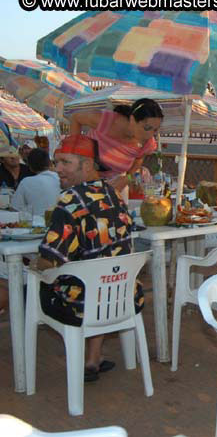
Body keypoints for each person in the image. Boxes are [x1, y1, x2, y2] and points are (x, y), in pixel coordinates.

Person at [33, 134, 142, 382]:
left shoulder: (71, 200)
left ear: (88, 165)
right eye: (56, 162)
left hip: (83, 303)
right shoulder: (113, 193)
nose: (57, 169)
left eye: (65, 163)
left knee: (35, 283)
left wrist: (33, 265)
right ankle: (93, 359)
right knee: (95, 269)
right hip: (124, 297)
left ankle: (24, 371)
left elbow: (49, 260)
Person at [68, 98, 163, 189]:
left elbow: (138, 160)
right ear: (133, 120)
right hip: (82, 176)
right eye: (146, 128)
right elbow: (76, 118)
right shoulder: (108, 121)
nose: (150, 134)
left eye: (155, 130)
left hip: (113, 184)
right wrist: (74, 155)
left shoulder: (148, 143)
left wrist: (127, 178)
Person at [11, 148, 60, 216]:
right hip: (59, 223)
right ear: (49, 163)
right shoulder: (60, 179)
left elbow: (15, 208)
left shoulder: (26, 182)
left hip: (34, 224)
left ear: (30, 167)